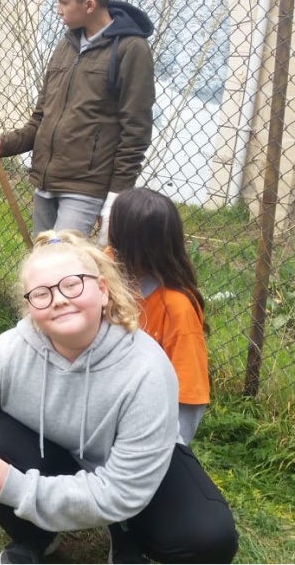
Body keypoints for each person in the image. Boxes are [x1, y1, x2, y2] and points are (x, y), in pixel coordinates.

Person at [0, 230, 237, 564]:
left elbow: (122, 490)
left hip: (127, 468)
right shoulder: (4, 356)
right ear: (30, 306)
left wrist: (18, 488)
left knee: (209, 537)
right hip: (53, 455)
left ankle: (127, 533)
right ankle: (36, 538)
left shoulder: (147, 369)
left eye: (73, 284)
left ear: (103, 290)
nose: (59, 299)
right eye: (42, 293)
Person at [0, 0, 154, 240]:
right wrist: (5, 144)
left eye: (63, 2)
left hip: (86, 186)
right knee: (44, 265)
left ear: (89, 5)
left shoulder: (131, 49)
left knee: (65, 266)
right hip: (46, 181)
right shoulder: (66, 43)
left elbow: (136, 130)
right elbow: (42, 117)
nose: (58, 9)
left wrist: (117, 193)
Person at [108, 187, 209, 444]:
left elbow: (189, 398)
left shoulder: (177, 307)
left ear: (127, 241)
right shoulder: (104, 270)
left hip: (144, 427)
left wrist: (171, 452)